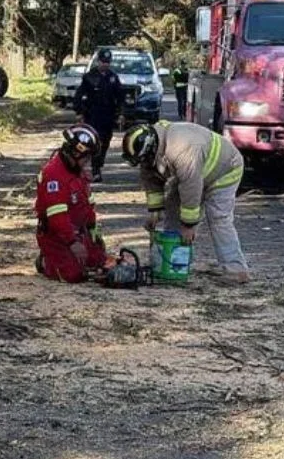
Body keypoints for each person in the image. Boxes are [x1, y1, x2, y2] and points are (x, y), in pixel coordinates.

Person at [121, 121, 249, 284]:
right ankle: (172, 263)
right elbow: (151, 179)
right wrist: (156, 211)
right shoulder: (151, 151)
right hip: (195, 174)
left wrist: (188, 226)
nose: (143, 164)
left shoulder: (182, 148)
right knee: (172, 210)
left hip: (224, 171)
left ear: (151, 149)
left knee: (218, 218)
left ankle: (236, 269)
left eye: (144, 160)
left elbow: (191, 187)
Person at [34, 124, 107, 283]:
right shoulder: (54, 175)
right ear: (75, 152)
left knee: (99, 261)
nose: (87, 162)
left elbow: (87, 203)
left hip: (77, 230)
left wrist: (92, 230)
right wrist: (72, 242)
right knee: (73, 275)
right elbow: (57, 217)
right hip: (55, 234)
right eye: (86, 158)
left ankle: (69, 253)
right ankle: (46, 262)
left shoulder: (76, 171)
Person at [73, 48, 124, 183]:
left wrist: (121, 114)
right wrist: (79, 112)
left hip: (108, 115)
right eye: (103, 62)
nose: (105, 64)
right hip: (92, 115)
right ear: (98, 61)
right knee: (93, 142)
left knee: (105, 142)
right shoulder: (89, 77)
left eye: (108, 62)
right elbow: (79, 95)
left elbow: (120, 97)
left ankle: (98, 165)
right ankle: (94, 169)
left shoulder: (113, 77)